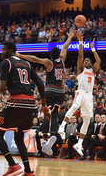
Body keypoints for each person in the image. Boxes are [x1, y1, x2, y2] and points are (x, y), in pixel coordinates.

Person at [0, 41, 49, 176]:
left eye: (3, 50)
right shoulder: (27, 64)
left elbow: (1, 88)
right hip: (30, 103)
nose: (1, 53)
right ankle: (28, 172)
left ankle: (13, 165)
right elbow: (40, 83)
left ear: (11, 50)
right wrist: (43, 104)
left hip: (17, 101)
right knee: (19, 138)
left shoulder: (6, 63)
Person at [16, 27, 75, 156]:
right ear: (58, 54)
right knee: (54, 114)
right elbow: (65, 47)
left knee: (46, 114)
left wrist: (20, 56)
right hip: (60, 91)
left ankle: (44, 137)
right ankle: (53, 135)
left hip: (49, 90)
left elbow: (35, 59)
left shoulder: (49, 62)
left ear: (50, 55)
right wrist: (70, 37)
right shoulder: (63, 61)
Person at [58, 34, 101, 157]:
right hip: (81, 92)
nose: (86, 61)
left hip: (89, 96)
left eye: (88, 60)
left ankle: (79, 143)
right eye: (85, 61)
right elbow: (81, 56)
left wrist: (93, 49)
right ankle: (62, 126)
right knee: (74, 106)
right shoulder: (80, 70)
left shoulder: (93, 70)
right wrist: (81, 43)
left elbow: (98, 61)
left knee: (87, 121)